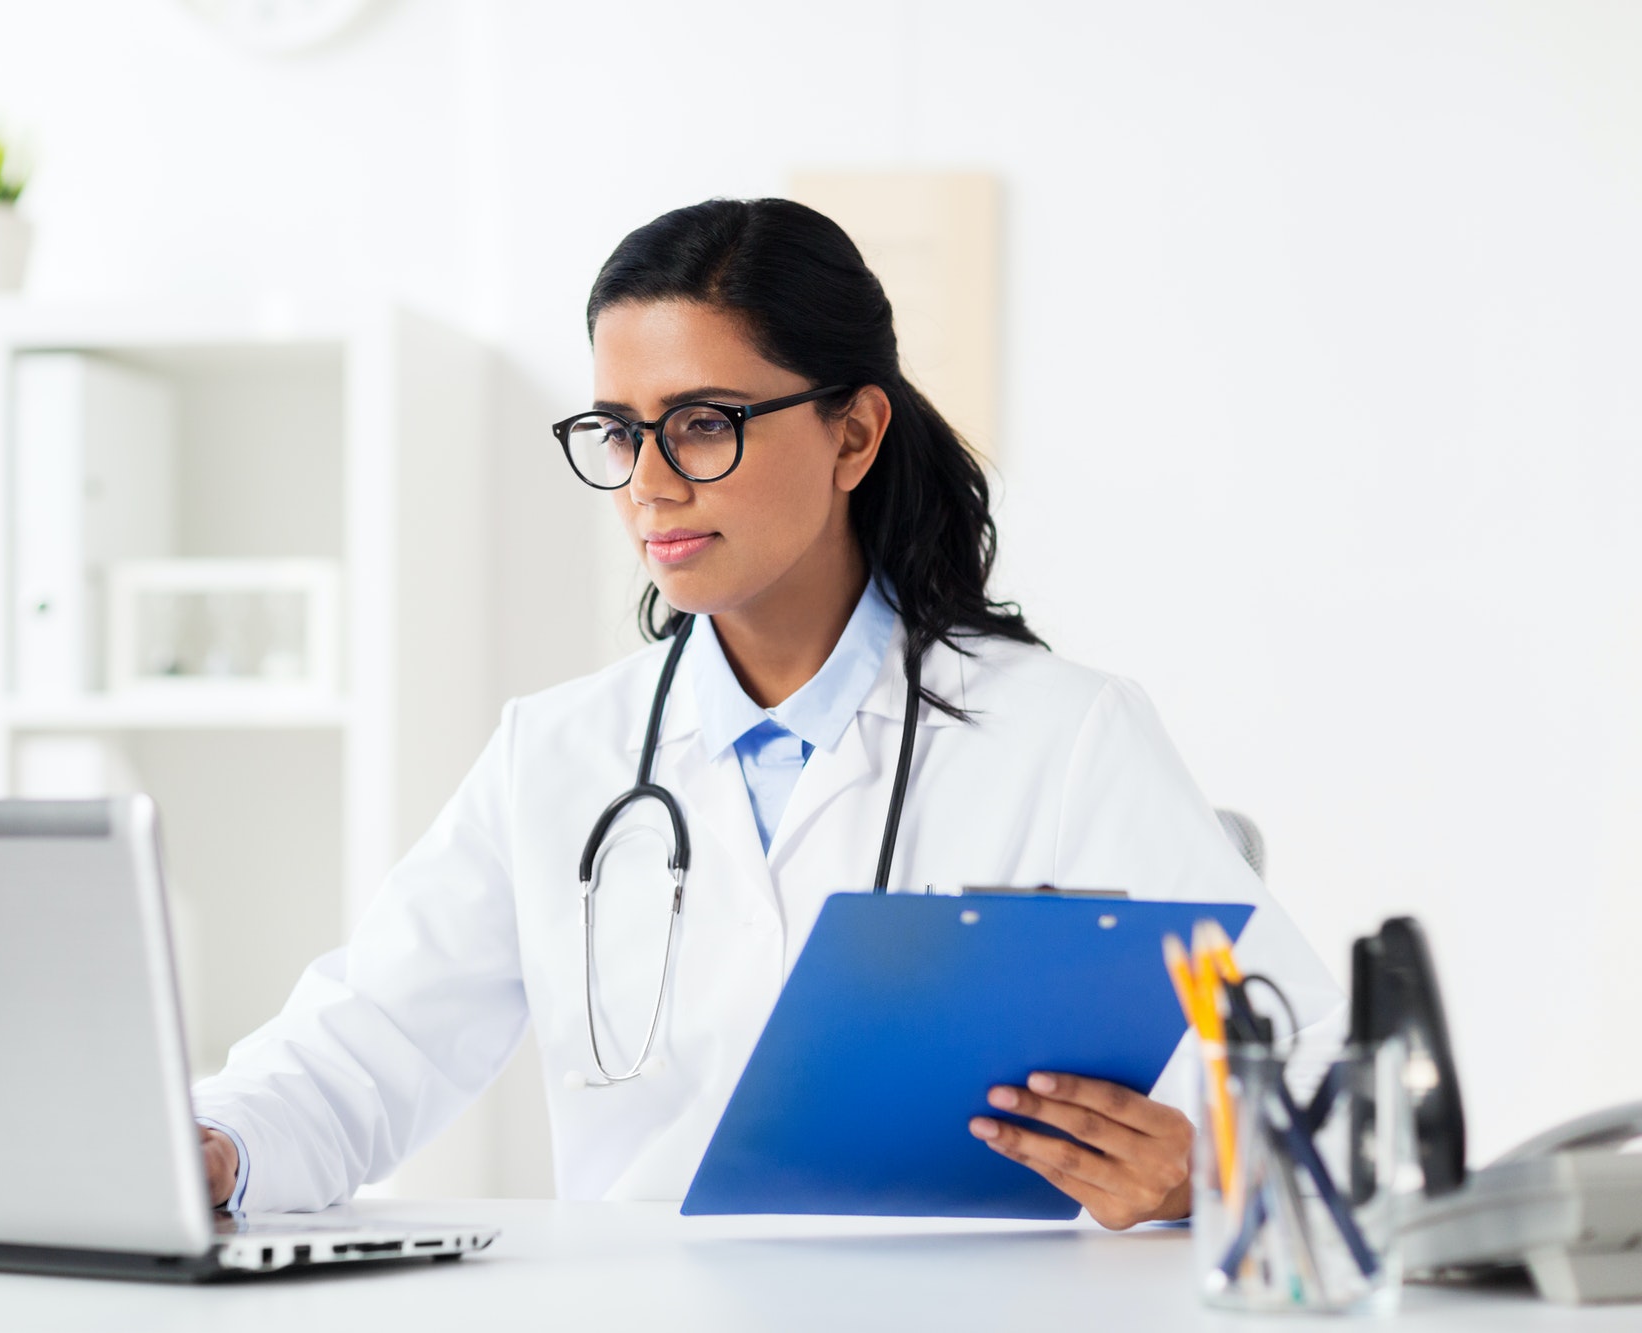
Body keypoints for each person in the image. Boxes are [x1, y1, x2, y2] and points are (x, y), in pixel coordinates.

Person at [191, 198, 1340, 1229]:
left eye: (700, 421)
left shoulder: (1058, 733)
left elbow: (1296, 1052)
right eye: (616, 429)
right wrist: (216, 1147)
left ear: (853, 433)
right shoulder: (555, 755)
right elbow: (365, 1041)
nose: (647, 481)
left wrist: (1203, 1167)